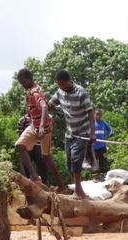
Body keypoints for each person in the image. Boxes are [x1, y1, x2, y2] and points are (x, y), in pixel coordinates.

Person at [43, 70, 96, 199]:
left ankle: (78, 192)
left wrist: (92, 133)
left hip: (82, 131)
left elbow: (90, 112)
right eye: (59, 85)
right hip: (69, 133)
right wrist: (43, 106)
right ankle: (80, 191)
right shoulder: (59, 92)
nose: (62, 87)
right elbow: (50, 105)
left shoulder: (81, 92)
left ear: (69, 81)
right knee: (69, 164)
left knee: (76, 161)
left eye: (64, 84)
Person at [15, 68, 68, 192]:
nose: (22, 85)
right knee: (20, 146)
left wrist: (41, 127)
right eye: (21, 83)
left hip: (43, 127)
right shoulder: (31, 91)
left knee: (45, 157)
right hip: (35, 125)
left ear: (29, 78)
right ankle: (35, 177)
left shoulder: (34, 92)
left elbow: (44, 107)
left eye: (23, 82)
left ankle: (61, 186)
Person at [17, 115, 49, 186]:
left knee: (42, 165)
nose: (29, 109)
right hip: (26, 146)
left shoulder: (38, 119)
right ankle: (28, 184)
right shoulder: (22, 121)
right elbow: (19, 135)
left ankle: (46, 184)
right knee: (26, 166)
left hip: (38, 145)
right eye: (28, 107)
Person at [93, 109, 112, 174]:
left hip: (102, 146)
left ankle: (103, 175)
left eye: (99, 115)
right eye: (97, 114)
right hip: (93, 146)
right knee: (94, 162)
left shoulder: (103, 123)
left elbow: (109, 130)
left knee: (103, 161)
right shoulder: (91, 123)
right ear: (94, 115)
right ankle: (94, 176)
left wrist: (106, 134)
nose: (98, 116)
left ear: (101, 115)